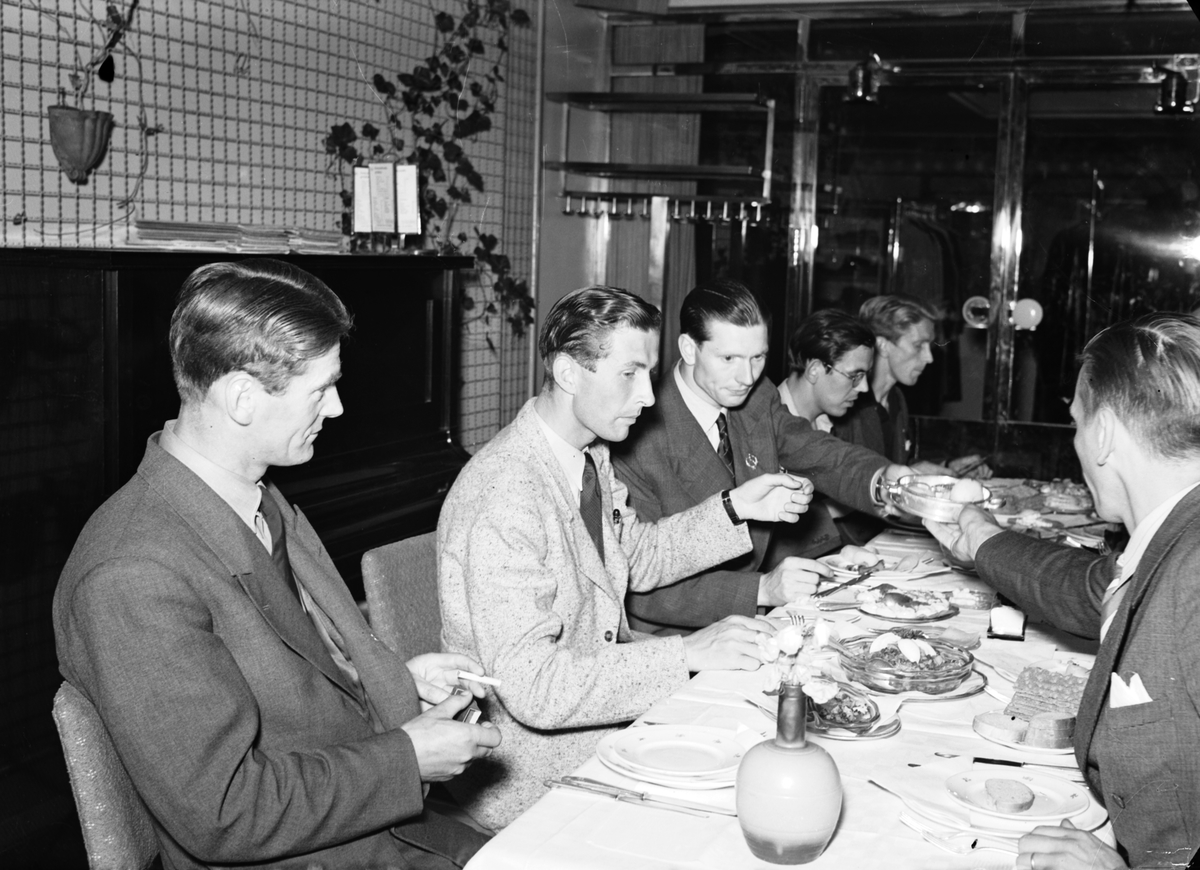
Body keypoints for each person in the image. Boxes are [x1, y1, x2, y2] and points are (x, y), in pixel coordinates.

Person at [53, 259, 501, 870]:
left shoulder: (259, 500)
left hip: (372, 832)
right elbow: (225, 814)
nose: (336, 408)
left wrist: (396, 682)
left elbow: (297, 678)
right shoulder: (131, 575)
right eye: (320, 389)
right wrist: (408, 758)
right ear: (242, 398)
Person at [437, 284, 813, 829]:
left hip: (604, 722)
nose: (649, 397)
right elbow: (535, 688)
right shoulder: (504, 493)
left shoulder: (588, 454)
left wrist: (735, 507)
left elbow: (637, 555)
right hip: (532, 769)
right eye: (630, 374)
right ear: (568, 373)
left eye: (649, 374)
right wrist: (685, 653)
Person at [926, 313, 1200, 870]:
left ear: (1104, 434)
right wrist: (978, 536)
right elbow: (1089, 586)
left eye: (1076, 422)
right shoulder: (1174, 533)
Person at [609, 279, 912, 636]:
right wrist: (762, 590)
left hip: (755, 616)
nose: (747, 376)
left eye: (758, 357)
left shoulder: (755, 395)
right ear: (689, 349)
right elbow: (637, 584)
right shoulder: (634, 434)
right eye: (729, 359)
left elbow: (818, 452)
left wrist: (890, 481)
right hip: (677, 636)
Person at [835, 294, 990, 478]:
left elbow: (895, 463)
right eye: (918, 346)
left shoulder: (896, 398)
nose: (929, 358)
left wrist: (946, 466)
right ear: (882, 345)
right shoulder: (849, 405)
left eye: (929, 346)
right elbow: (845, 478)